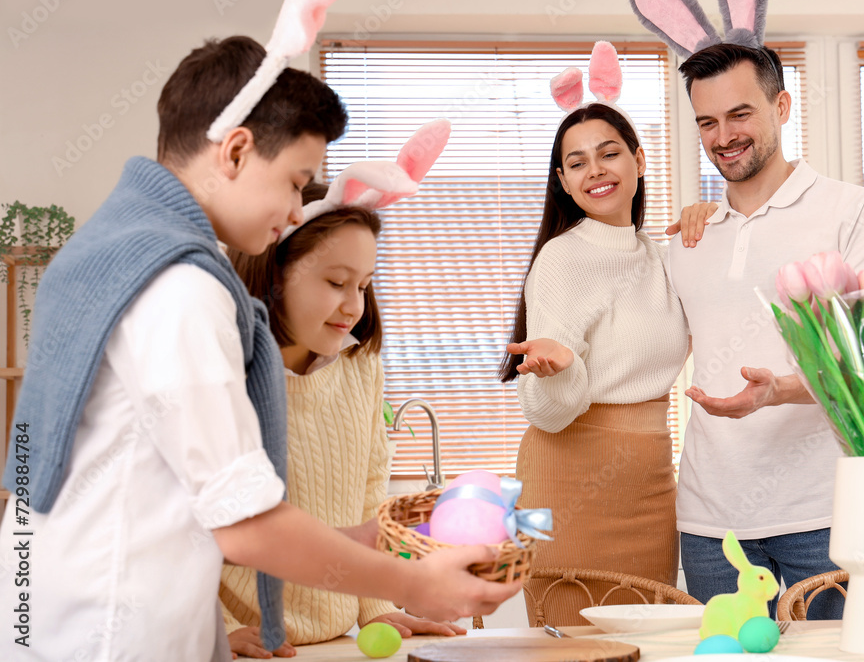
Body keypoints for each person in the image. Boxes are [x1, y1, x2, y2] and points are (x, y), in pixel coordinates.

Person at [0, 35, 516, 661]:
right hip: (115, 637)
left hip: (52, 616)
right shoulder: (181, 288)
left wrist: (376, 541)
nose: (299, 210)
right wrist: (417, 583)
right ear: (238, 151)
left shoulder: (100, 256)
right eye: (297, 182)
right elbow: (243, 524)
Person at [665, 43, 864, 617]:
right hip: (709, 523)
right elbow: (652, 350)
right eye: (707, 122)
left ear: (782, 106)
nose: (723, 136)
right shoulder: (689, 237)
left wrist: (780, 390)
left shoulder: (856, 212)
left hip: (821, 513)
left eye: (740, 114)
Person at [222, 181, 465, 658]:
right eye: (336, 282)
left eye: (364, 284)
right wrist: (216, 626)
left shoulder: (359, 366)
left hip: (333, 641)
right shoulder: (222, 374)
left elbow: (368, 492)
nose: (354, 306)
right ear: (274, 272)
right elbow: (184, 524)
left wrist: (373, 606)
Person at [499, 98, 690, 626]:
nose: (595, 170)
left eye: (608, 154)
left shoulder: (659, 257)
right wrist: (560, 371)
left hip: (650, 479)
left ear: (639, 161)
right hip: (565, 479)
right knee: (566, 645)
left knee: (646, 640)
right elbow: (548, 414)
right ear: (562, 180)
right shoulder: (562, 258)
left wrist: (710, 216)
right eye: (577, 162)